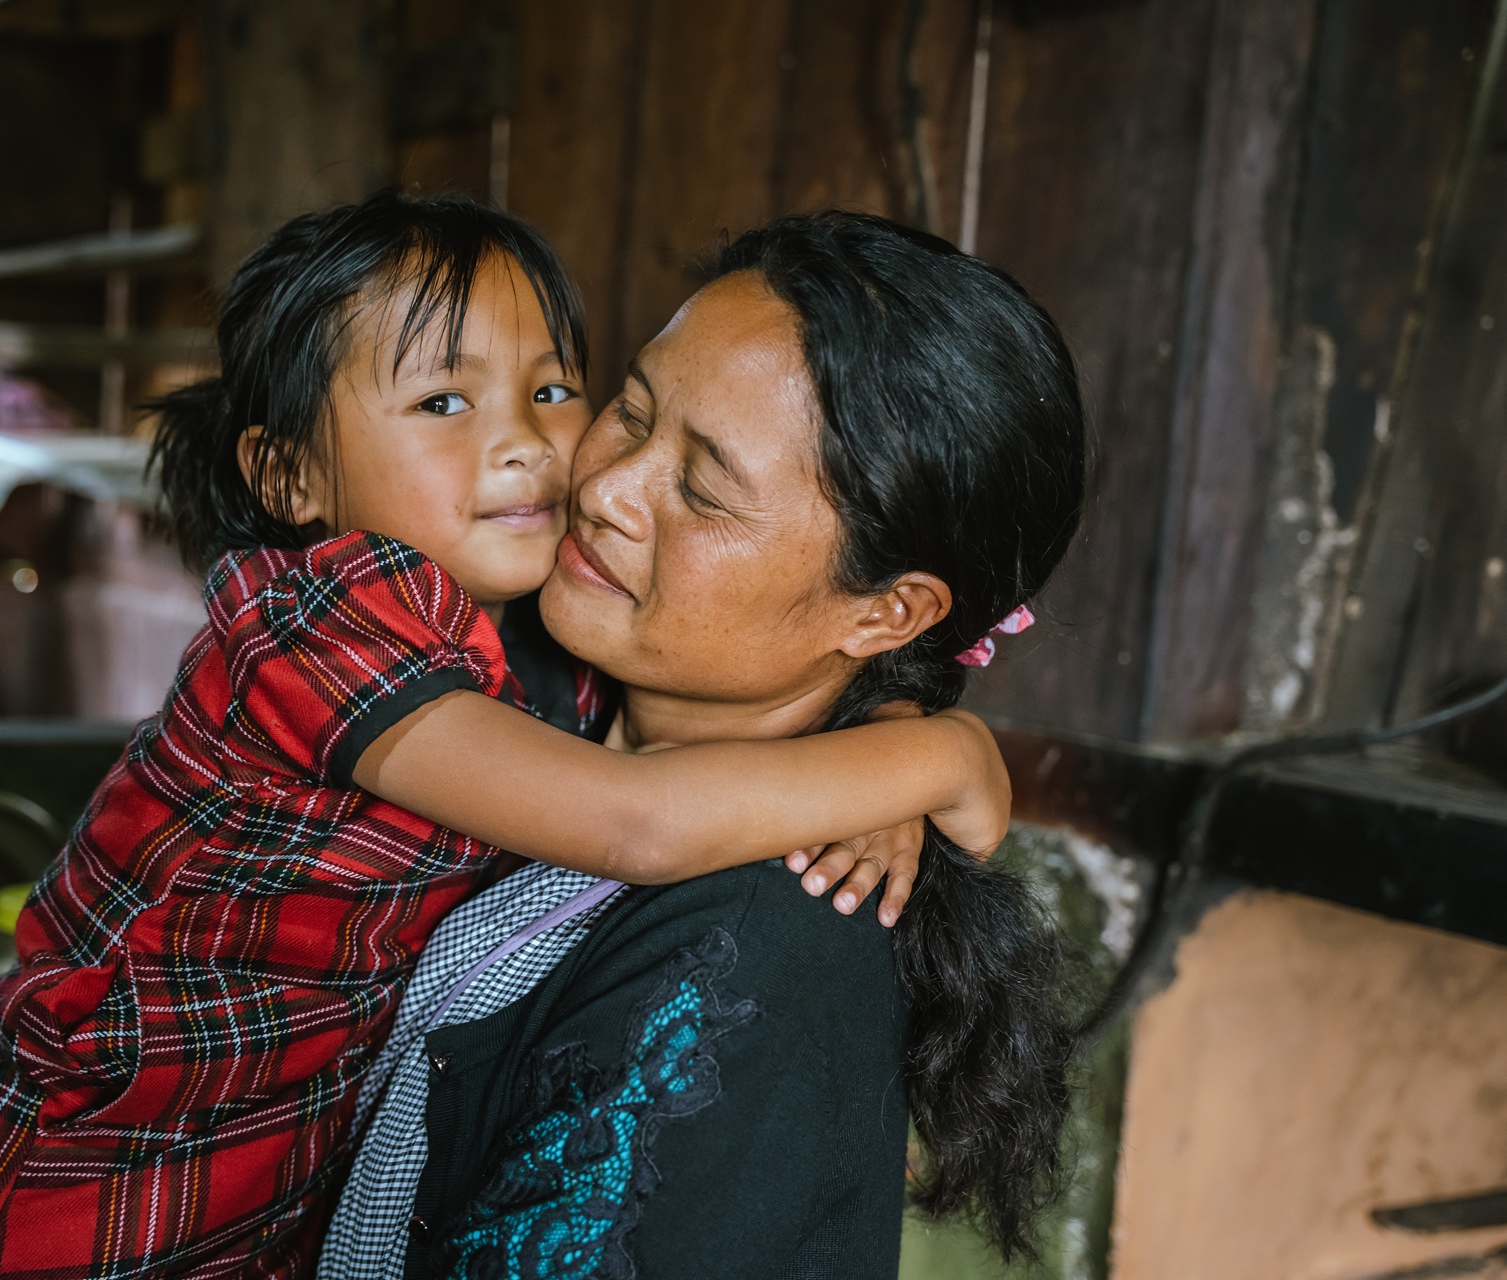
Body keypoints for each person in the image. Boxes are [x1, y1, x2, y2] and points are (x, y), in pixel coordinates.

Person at [0, 193, 1016, 1280]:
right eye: (629, 411)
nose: (567, 466)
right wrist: (940, 756)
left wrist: (898, 724)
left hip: (229, 1190)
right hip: (82, 1180)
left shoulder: (764, 923)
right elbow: (636, 821)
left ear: (890, 615)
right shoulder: (325, 622)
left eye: (554, 391)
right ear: (290, 473)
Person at [322, 211, 1087, 1278]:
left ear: (884, 613)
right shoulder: (506, 666)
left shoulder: (758, 952)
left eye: (702, 490)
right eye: (631, 412)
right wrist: (920, 742)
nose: (603, 490)